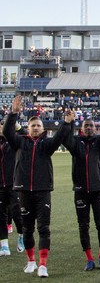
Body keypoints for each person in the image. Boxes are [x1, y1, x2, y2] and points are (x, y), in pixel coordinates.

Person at [3, 94, 73, 277]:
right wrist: (13, 113)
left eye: (38, 125)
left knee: (43, 228)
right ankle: (31, 262)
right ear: (28, 129)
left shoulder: (47, 144)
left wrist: (66, 122)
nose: (35, 128)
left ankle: (43, 265)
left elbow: (59, 138)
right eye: (33, 125)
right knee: (27, 229)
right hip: (24, 191)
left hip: (43, 192)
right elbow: (7, 133)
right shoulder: (19, 142)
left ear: (43, 129)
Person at [63, 103, 100, 271]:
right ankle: (89, 259)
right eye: (86, 125)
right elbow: (66, 139)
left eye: (91, 125)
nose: (88, 128)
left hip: (98, 189)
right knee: (83, 225)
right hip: (80, 191)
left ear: (96, 128)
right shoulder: (76, 143)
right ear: (82, 128)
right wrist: (69, 122)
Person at [0, 115, 24, 256]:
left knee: (17, 213)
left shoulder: (13, 142)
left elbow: (26, 137)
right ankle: (4, 245)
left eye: (4, 126)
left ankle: (21, 236)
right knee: (1, 215)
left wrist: (18, 127)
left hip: (14, 183)